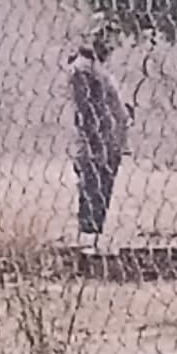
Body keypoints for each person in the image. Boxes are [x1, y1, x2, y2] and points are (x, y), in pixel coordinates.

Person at [68, 34, 129, 252]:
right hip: (98, 143)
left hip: (109, 141)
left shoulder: (97, 69)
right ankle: (88, 241)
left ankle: (92, 240)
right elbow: (87, 111)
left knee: (100, 190)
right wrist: (96, 145)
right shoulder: (84, 69)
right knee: (93, 189)